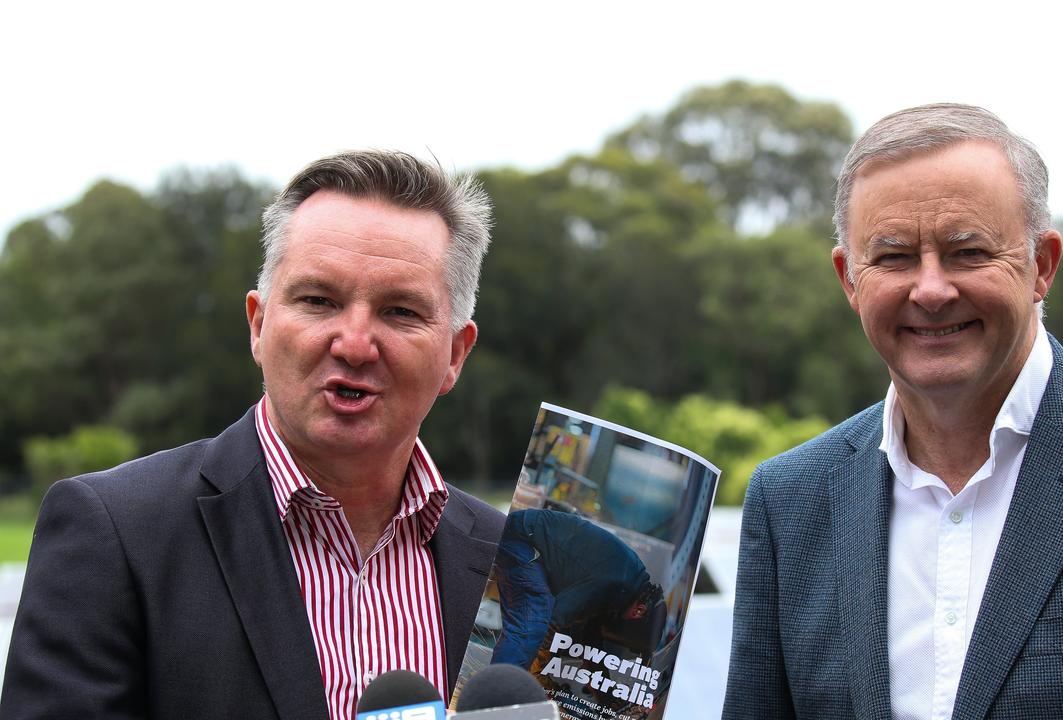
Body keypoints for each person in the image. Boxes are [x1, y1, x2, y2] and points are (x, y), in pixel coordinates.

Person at [722, 104, 1063, 719]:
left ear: (1041, 265)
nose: (930, 290)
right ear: (849, 280)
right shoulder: (790, 500)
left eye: (967, 252)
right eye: (894, 258)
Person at [1, 150, 507, 719]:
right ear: (259, 325)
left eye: (400, 312)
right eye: (319, 301)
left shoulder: (515, 563)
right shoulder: (115, 535)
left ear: (455, 356)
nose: (356, 343)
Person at [491, 508, 666, 670]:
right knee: (534, 625)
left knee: (538, 624)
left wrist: (611, 700)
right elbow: (554, 620)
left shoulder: (626, 588)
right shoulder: (615, 583)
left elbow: (591, 650)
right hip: (523, 538)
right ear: (639, 611)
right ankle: (495, 693)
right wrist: (539, 675)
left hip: (534, 545)